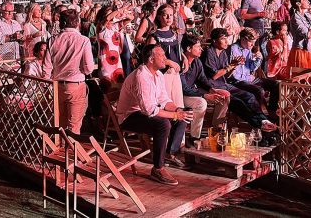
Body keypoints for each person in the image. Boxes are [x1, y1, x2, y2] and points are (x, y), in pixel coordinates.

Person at [116, 44, 193, 185]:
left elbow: (164, 100)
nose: (165, 58)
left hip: (144, 111)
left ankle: (168, 154)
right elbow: (149, 110)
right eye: (162, 55)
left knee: (184, 115)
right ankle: (158, 168)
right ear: (151, 59)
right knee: (163, 124)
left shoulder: (157, 74)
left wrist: (178, 110)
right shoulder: (141, 76)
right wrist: (175, 115)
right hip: (129, 116)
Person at [202, 28, 277, 132]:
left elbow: (227, 75)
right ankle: (261, 124)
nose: (226, 42)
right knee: (241, 103)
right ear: (214, 41)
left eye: (226, 39)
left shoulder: (222, 52)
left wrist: (234, 66)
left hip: (225, 84)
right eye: (223, 39)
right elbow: (214, 76)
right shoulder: (209, 53)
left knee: (249, 96)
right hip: (214, 87)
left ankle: (265, 120)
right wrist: (231, 66)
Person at [42, 9, 94, 134]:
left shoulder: (53, 40)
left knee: (59, 124)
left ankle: (58, 149)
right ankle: (70, 152)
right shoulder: (83, 40)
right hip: (75, 85)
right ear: (77, 22)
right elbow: (88, 69)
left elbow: (46, 67)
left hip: (57, 86)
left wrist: (46, 85)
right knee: (74, 126)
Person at [180, 34, 230, 145]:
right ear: (188, 49)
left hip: (191, 92)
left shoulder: (197, 61)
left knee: (224, 95)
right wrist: (205, 95)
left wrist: (212, 90)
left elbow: (202, 79)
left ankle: (216, 130)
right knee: (201, 102)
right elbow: (184, 89)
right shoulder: (180, 63)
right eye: (198, 47)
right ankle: (194, 136)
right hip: (179, 95)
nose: (201, 49)